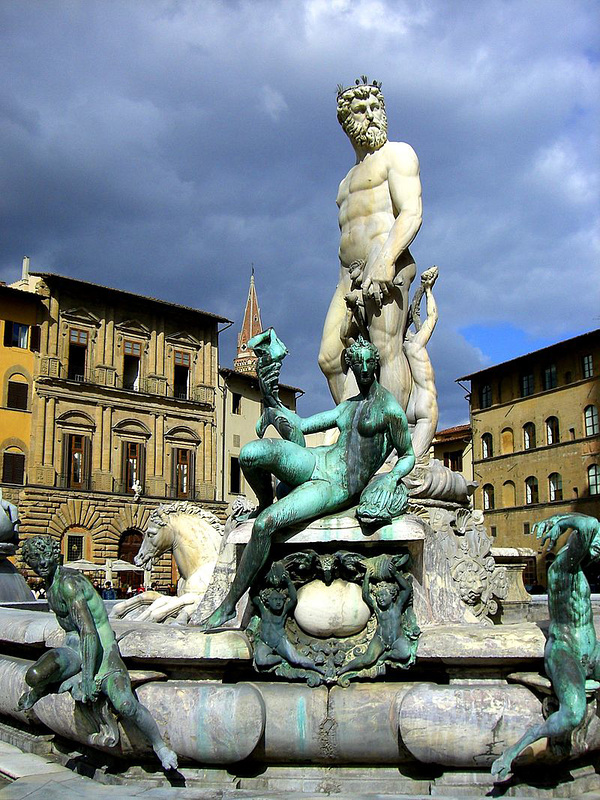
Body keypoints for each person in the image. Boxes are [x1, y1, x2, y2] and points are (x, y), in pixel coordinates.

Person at [199, 336, 415, 631]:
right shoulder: (347, 407)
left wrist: (390, 478)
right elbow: (302, 426)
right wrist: (272, 399)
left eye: (369, 362)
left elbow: (408, 455)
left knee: (265, 525)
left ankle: (227, 606)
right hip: (318, 460)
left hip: (336, 485)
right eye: (358, 362)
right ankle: (264, 500)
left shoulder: (390, 410)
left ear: (375, 365)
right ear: (351, 367)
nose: (364, 368)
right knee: (250, 454)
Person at [17, 536, 177, 771]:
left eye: (44, 556)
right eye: (34, 559)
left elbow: (89, 632)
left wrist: (89, 677)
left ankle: (160, 746)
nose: (40, 563)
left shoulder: (69, 584)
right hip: (74, 650)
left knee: (125, 705)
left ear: (54, 555)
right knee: (34, 675)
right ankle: (41, 689)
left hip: (102, 652)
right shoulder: (51, 587)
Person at [318, 78, 423, 409]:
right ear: (347, 121)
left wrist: (386, 258)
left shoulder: (397, 154)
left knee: (385, 350)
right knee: (330, 358)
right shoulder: (345, 181)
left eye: (376, 108)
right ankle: (356, 432)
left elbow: (412, 212)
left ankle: (389, 445)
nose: (372, 115)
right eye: (362, 110)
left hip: (387, 262)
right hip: (347, 276)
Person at [492, 513, 600, 782]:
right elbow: (590, 525)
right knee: (573, 713)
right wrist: (561, 520)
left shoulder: (578, 569)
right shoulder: (563, 568)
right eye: (595, 545)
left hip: (592, 650)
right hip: (566, 650)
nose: (598, 551)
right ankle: (515, 750)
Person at [402, 266, 439, 461]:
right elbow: (432, 317)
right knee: (413, 463)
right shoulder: (416, 345)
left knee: (401, 462)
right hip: (425, 401)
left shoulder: (396, 352)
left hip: (407, 406)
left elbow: (416, 314)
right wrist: (428, 291)